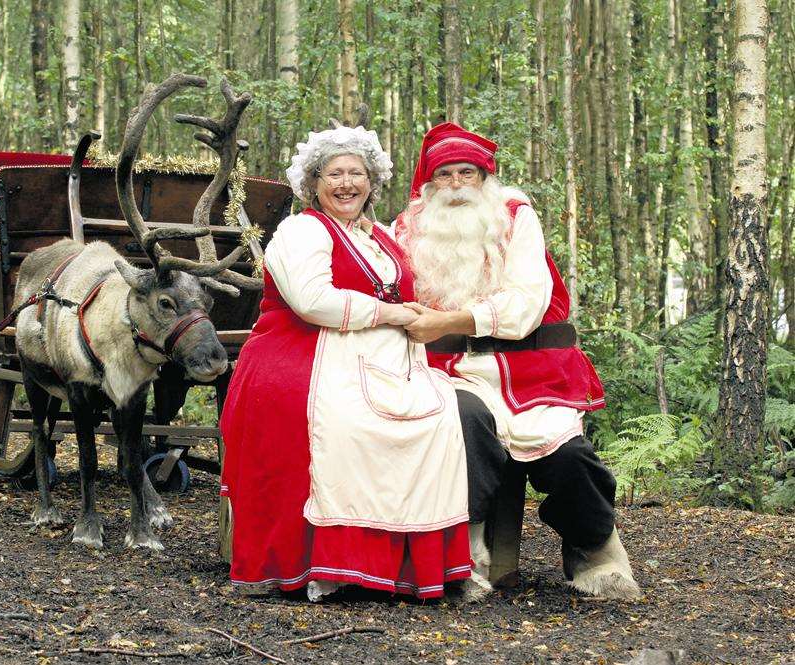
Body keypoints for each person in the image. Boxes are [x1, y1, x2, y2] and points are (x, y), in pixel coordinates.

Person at [220, 125, 472, 601]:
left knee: (441, 419)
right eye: (334, 173)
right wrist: (393, 314)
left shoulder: (379, 236)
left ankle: (401, 563)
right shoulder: (302, 230)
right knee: (346, 423)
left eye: (356, 173)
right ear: (314, 183)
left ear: (371, 183)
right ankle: (335, 561)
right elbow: (312, 300)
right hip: (301, 353)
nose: (346, 183)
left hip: (378, 361)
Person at [395, 122, 641, 601]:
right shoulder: (405, 227)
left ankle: (594, 547)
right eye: (444, 174)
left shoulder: (514, 216)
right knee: (461, 429)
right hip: (449, 372)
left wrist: (454, 320)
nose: (456, 184)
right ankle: (464, 554)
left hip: (529, 371)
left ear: (486, 178)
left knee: (569, 456)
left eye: (467, 172)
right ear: (428, 183)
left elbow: (527, 303)